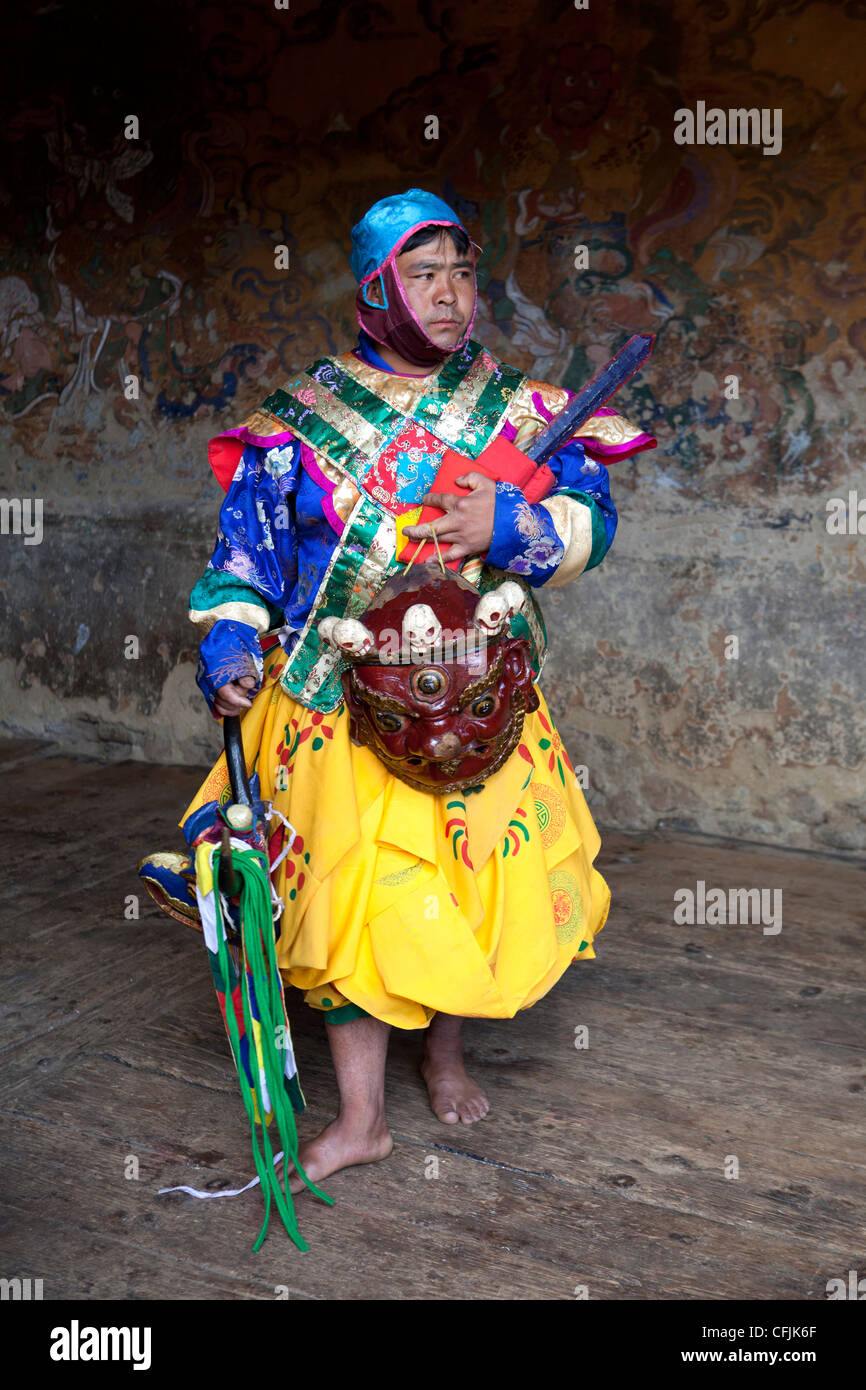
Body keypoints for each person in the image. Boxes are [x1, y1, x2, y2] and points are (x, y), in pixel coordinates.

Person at [139, 188, 656, 1194]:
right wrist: (232, 646)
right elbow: (244, 558)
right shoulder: (297, 423)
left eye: (462, 272)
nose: (452, 296)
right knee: (357, 903)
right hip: (336, 702)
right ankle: (363, 1116)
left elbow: (594, 518)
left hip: (477, 703)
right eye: (424, 276)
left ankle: (447, 1051)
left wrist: (508, 532)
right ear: (377, 289)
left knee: (467, 881)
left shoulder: (517, 409)